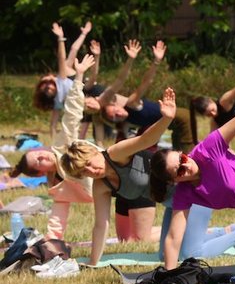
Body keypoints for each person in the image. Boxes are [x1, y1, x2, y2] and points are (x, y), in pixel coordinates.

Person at [150, 79, 235, 269]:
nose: (187, 166)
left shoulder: (208, 149)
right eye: (179, 171)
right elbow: (174, 237)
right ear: (174, 181)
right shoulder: (185, 192)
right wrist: (170, 275)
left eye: (182, 159)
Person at [61, 87, 180, 265]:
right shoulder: (101, 185)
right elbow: (101, 225)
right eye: (84, 172)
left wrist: (166, 119)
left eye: (88, 164)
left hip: (188, 192)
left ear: (94, 151)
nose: (91, 171)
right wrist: (93, 262)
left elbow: (146, 140)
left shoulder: (116, 153)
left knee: (188, 253)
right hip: (172, 204)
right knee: (166, 255)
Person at [12, 54, 97, 239]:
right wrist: (51, 240)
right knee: (134, 237)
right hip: (110, 192)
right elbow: (58, 219)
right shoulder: (58, 186)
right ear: (41, 173)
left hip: (119, 167)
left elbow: (72, 113)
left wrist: (80, 76)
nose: (43, 156)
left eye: (39, 153)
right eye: (39, 162)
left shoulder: (61, 147)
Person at [34, 21, 96, 140]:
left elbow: (53, 124)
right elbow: (62, 57)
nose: (48, 82)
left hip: (83, 92)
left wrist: (84, 33)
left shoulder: (57, 102)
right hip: (85, 88)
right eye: (47, 84)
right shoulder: (61, 80)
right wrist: (61, 39)